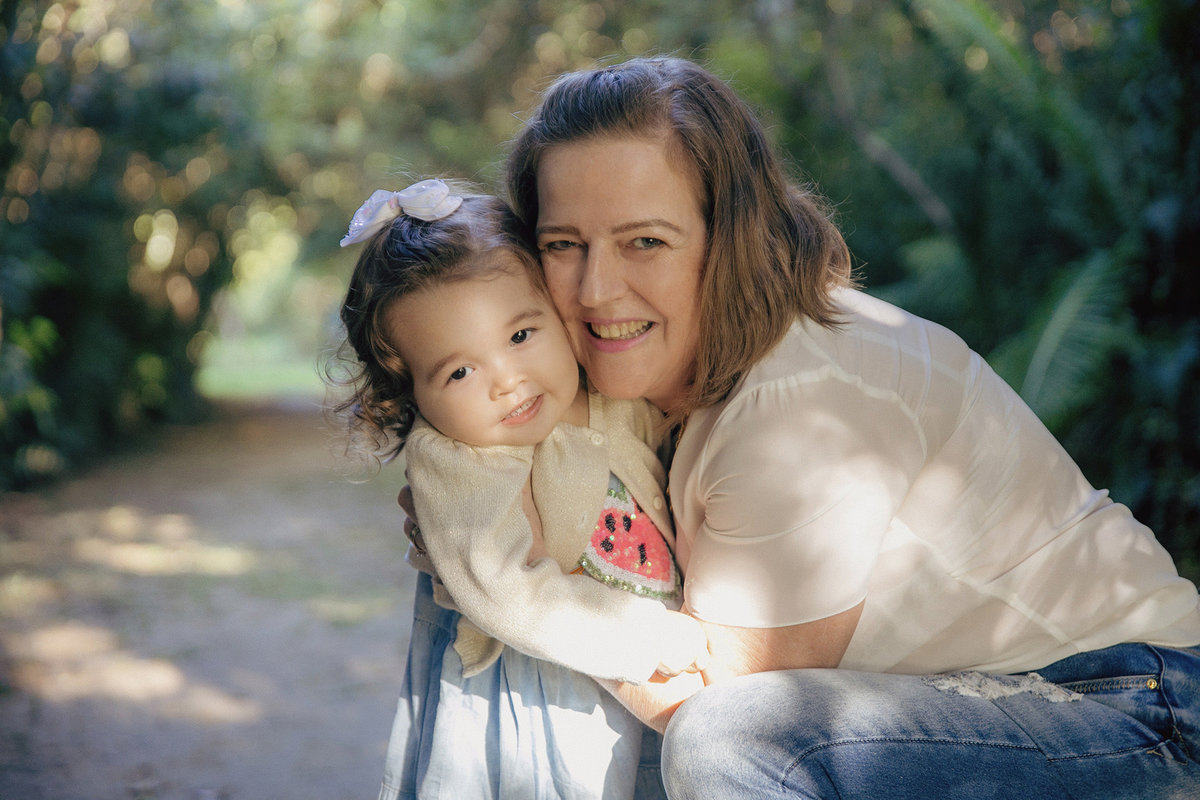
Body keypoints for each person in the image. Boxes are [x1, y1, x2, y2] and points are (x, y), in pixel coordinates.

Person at [501, 55, 1200, 798]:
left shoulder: (800, 400)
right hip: (1021, 706)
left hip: (1136, 710)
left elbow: (712, 701)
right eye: (562, 245)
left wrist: (528, 569)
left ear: (729, 239)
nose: (595, 289)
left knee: (726, 737)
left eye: (645, 241)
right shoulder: (681, 377)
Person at [332, 179, 705, 800]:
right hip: (535, 702)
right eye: (459, 370)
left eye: (520, 336)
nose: (506, 381)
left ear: (558, 315)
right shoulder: (458, 458)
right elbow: (501, 586)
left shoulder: (613, 393)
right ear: (413, 395)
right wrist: (647, 638)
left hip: (639, 682)